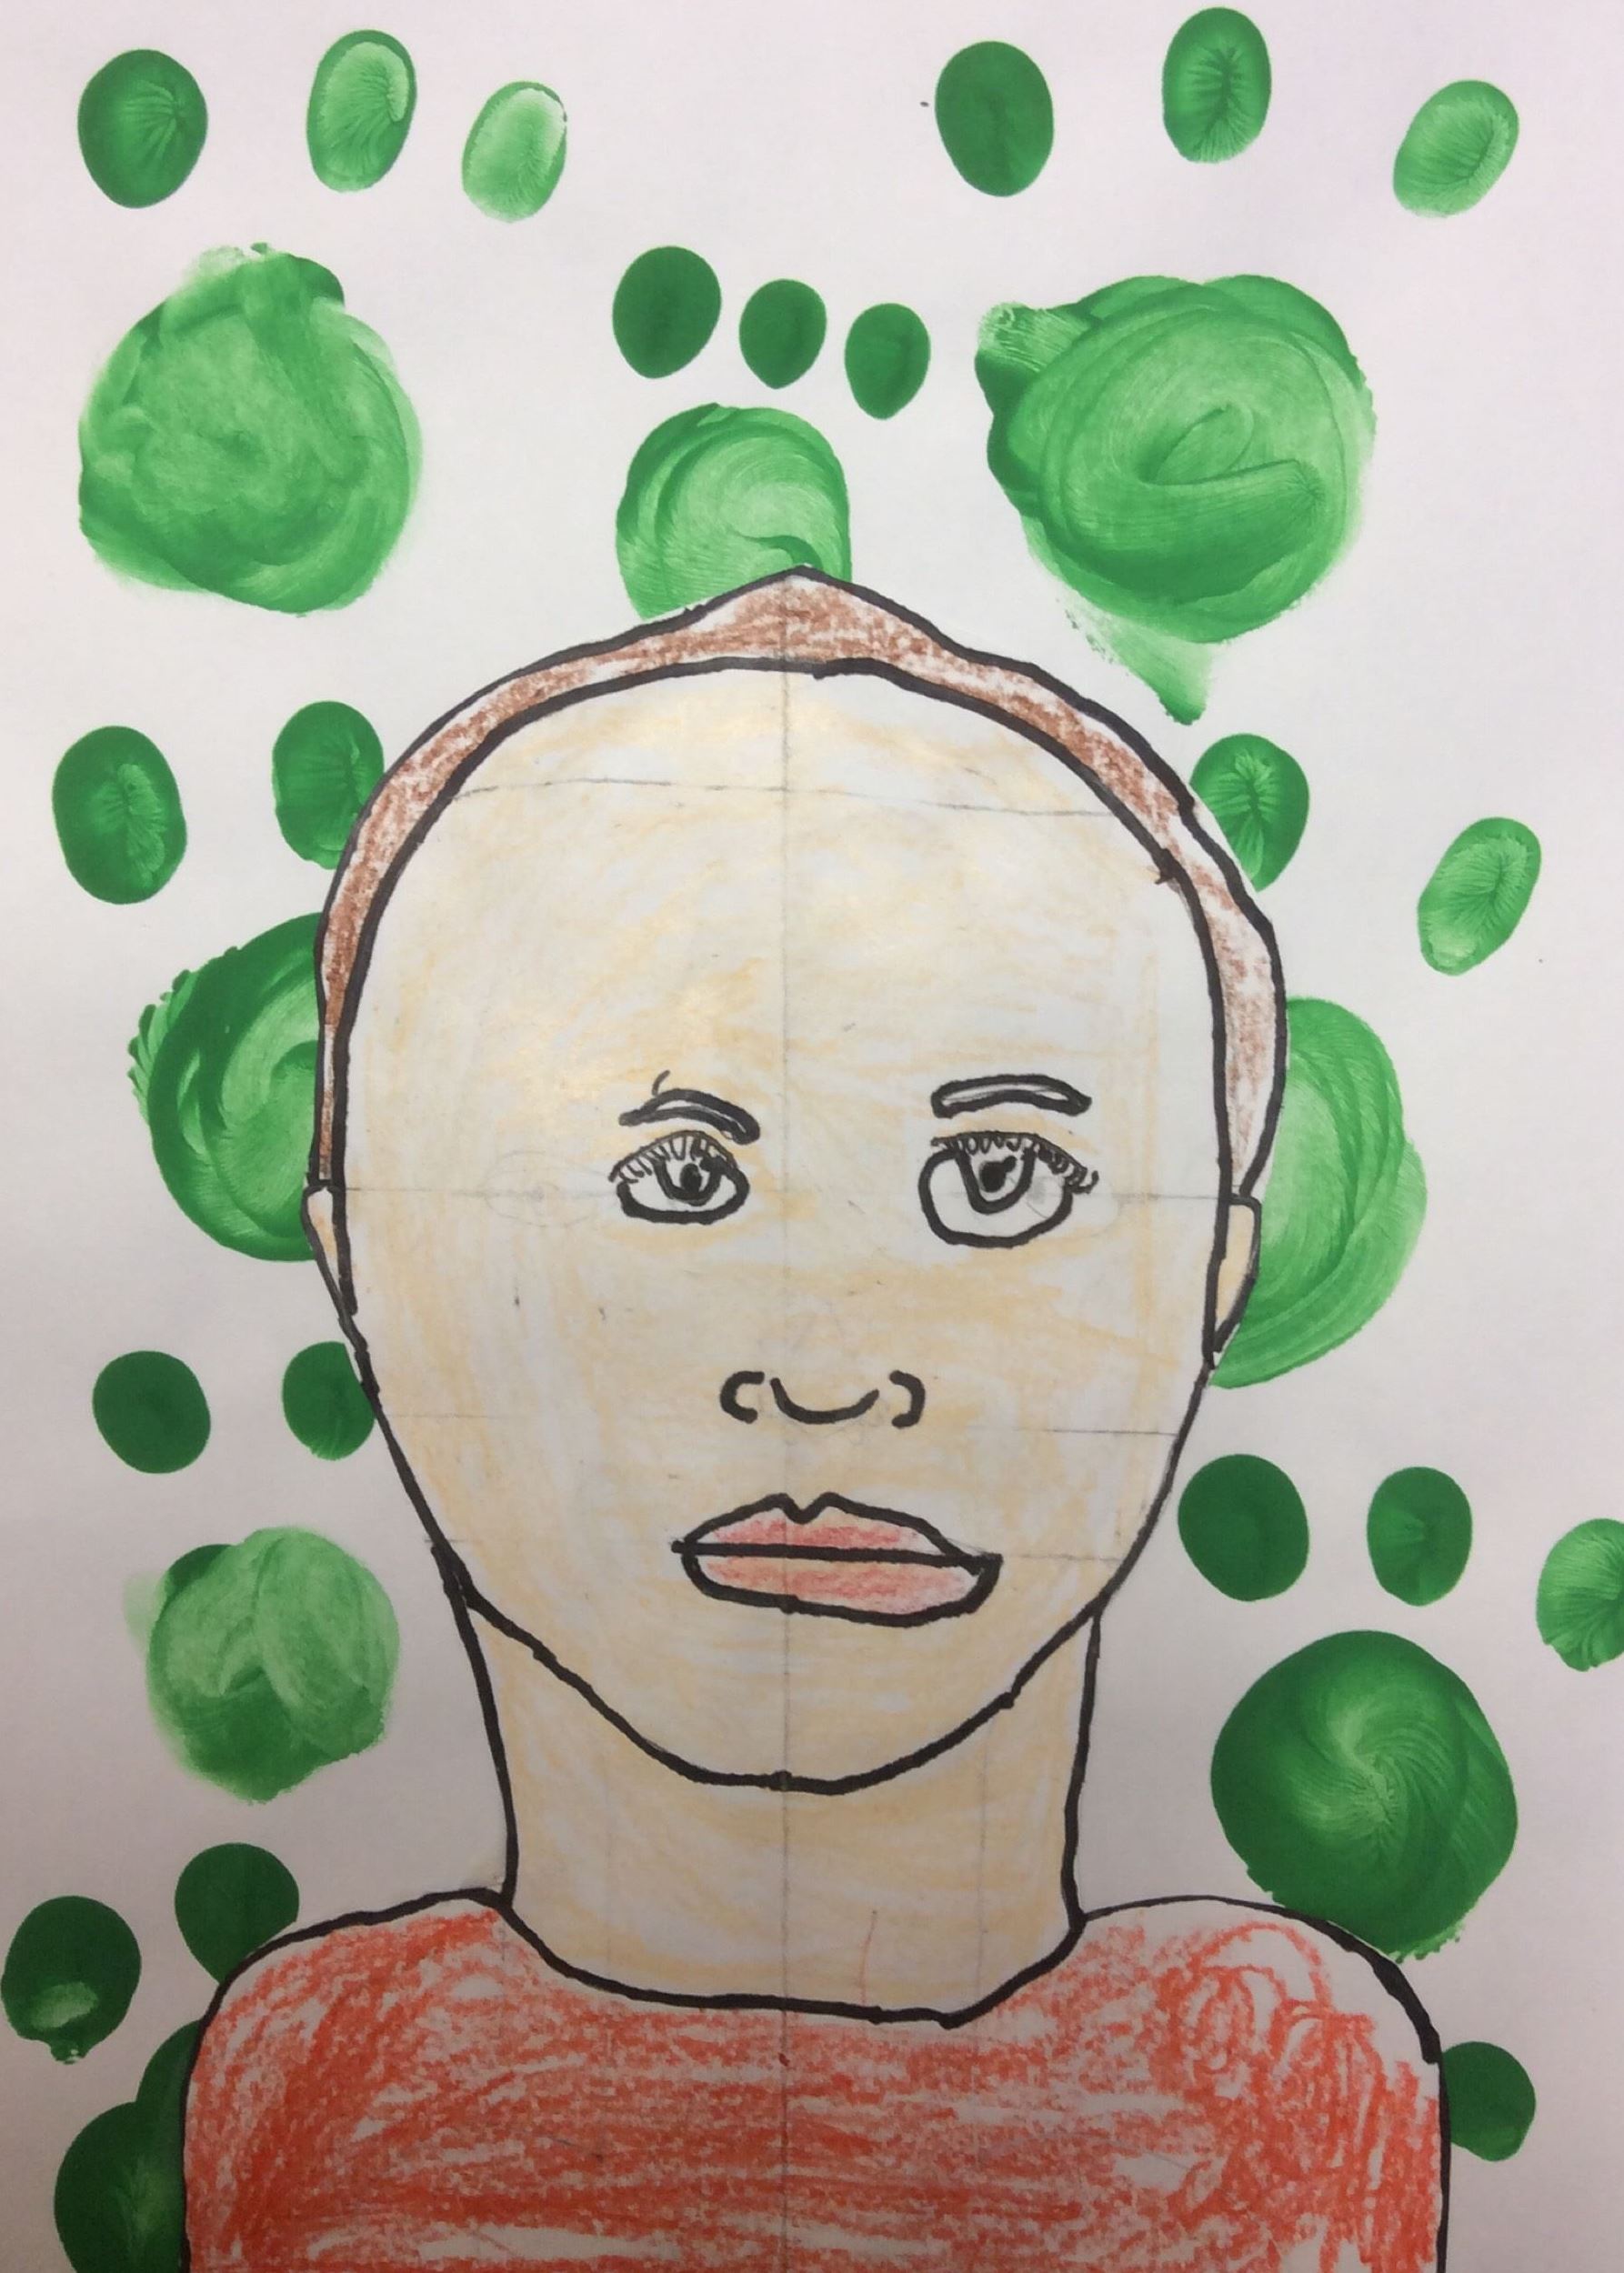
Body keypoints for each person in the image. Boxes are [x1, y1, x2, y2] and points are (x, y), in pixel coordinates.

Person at [183, 575, 1444, 2271]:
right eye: (676, 1177)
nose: (831, 1373)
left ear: (1214, 1278)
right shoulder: (316, 2089)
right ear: (359, 1273)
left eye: (998, 1177)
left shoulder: (1285, 2089)